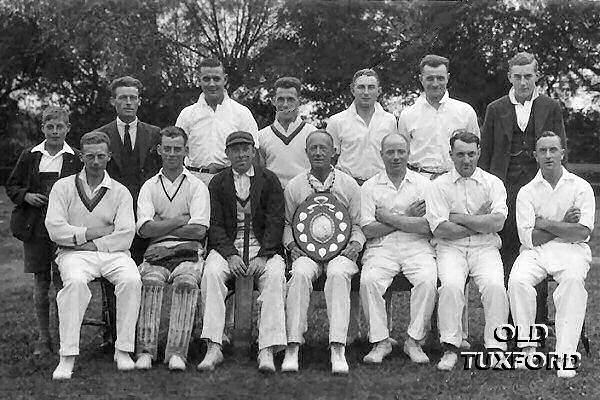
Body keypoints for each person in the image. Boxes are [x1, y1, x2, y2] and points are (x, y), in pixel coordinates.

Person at [45, 131, 141, 380]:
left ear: (109, 156)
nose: (96, 162)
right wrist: (92, 232)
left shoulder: (120, 191)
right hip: (73, 255)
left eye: (100, 156)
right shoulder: (62, 187)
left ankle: (123, 350)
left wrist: (87, 243)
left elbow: (126, 234)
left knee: (132, 280)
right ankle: (67, 357)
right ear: (81, 156)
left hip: (112, 253)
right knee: (75, 284)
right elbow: (55, 229)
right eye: (90, 156)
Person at [480, 52, 567, 322]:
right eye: (517, 77)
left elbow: (560, 147)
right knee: (506, 252)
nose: (523, 82)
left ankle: (536, 323)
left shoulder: (550, 106)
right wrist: (485, 192)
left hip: (537, 189)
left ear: (535, 76)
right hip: (505, 189)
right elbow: (486, 154)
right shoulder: (496, 108)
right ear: (510, 77)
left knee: (535, 252)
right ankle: (507, 322)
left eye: (528, 76)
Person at [198, 131, 286, 373]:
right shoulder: (218, 182)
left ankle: (267, 348)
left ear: (253, 151)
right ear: (227, 154)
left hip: (262, 247)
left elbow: (276, 221)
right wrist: (229, 254)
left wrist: (264, 254)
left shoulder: (269, 179)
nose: (241, 154)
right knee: (212, 273)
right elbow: (213, 224)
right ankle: (214, 344)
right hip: (228, 246)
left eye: (245, 148)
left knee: (275, 276)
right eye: (235, 149)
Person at [508, 131, 594, 379]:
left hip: (572, 250)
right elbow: (529, 238)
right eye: (542, 151)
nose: (548, 155)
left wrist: (544, 223)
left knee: (572, 282)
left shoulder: (580, 187)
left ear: (562, 153)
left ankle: (565, 355)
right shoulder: (526, 192)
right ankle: (527, 348)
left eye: (553, 150)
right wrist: (562, 224)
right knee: (517, 282)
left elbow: (581, 232)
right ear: (535, 156)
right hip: (535, 252)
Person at [282, 130, 365, 374]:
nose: (318, 153)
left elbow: (359, 224)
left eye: (323, 148)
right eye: (313, 148)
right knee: (298, 275)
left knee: (339, 275)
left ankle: (337, 347)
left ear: (334, 152)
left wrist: (356, 244)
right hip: (306, 254)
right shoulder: (295, 186)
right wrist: (291, 246)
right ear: (306, 152)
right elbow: (287, 223)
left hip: (341, 253)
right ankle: (293, 345)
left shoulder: (348, 184)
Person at [425, 130, 509, 371]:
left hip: (485, 248)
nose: (466, 160)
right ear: (450, 154)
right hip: (451, 249)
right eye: (460, 154)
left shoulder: (493, 183)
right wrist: (479, 221)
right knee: (451, 286)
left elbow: (498, 223)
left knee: (495, 287)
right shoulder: (439, 185)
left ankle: (495, 347)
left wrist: (459, 218)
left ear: (479, 153)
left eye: (471, 154)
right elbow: (441, 229)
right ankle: (450, 347)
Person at [6, 106, 81, 355]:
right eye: (50, 127)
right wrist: (26, 196)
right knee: (41, 281)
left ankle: (63, 338)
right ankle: (43, 338)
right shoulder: (31, 156)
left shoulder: (76, 158)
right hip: (35, 227)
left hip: (64, 227)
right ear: (43, 128)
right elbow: (12, 185)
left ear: (68, 128)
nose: (55, 131)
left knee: (63, 281)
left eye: (60, 127)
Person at [134, 127, 210, 371]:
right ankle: (146, 350)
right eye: (167, 148)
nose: (172, 154)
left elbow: (199, 231)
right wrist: (180, 220)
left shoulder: (197, 186)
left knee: (186, 283)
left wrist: (161, 225)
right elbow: (144, 230)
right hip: (155, 251)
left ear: (186, 151)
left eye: (178, 149)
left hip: (189, 250)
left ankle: (177, 353)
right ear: (159, 150)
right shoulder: (149, 186)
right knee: (150, 282)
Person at [359, 133, 437, 365]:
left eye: (400, 152)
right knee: (369, 280)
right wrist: (407, 218)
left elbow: (428, 226)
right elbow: (368, 230)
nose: (396, 157)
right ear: (381, 155)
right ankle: (380, 341)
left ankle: (414, 341)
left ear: (408, 153)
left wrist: (388, 217)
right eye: (390, 152)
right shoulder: (370, 186)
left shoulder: (424, 185)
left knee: (427, 279)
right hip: (381, 249)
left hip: (417, 246)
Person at [96, 75, 161, 263]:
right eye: (123, 98)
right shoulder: (100, 135)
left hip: (145, 209)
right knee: (113, 263)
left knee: (144, 265)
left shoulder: (155, 134)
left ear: (139, 101)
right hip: (112, 210)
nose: (128, 102)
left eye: (133, 98)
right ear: (113, 101)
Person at [176, 58, 259, 186]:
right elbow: (176, 151)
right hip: (194, 181)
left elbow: (253, 154)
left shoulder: (242, 113)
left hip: (231, 180)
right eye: (206, 79)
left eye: (216, 78)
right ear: (199, 80)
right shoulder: (187, 114)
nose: (211, 84)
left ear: (225, 79)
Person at [398, 55, 480, 179]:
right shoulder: (407, 115)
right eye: (430, 78)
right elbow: (401, 154)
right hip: (419, 182)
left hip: (455, 181)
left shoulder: (465, 112)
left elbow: (475, 151)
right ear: (421, 79)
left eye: (440, 78)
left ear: (448, 78)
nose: (435, 84)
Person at [327, 68, 398, 185]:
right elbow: (330, 158)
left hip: (380, 185)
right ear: (352, 90)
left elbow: (393, 155)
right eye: (361, 87)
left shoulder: (389, 120)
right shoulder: (336, 121)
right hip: (347, 184)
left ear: (379, 91)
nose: (366, 92)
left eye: (371, 87)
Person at [258, 76, 316, 188]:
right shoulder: (261, 136)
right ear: (274, 101)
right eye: (280, 99)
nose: (285, 105)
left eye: (290, 99)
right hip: (273, 198)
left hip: (304, 195)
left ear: (299, 101)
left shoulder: (312, 134)